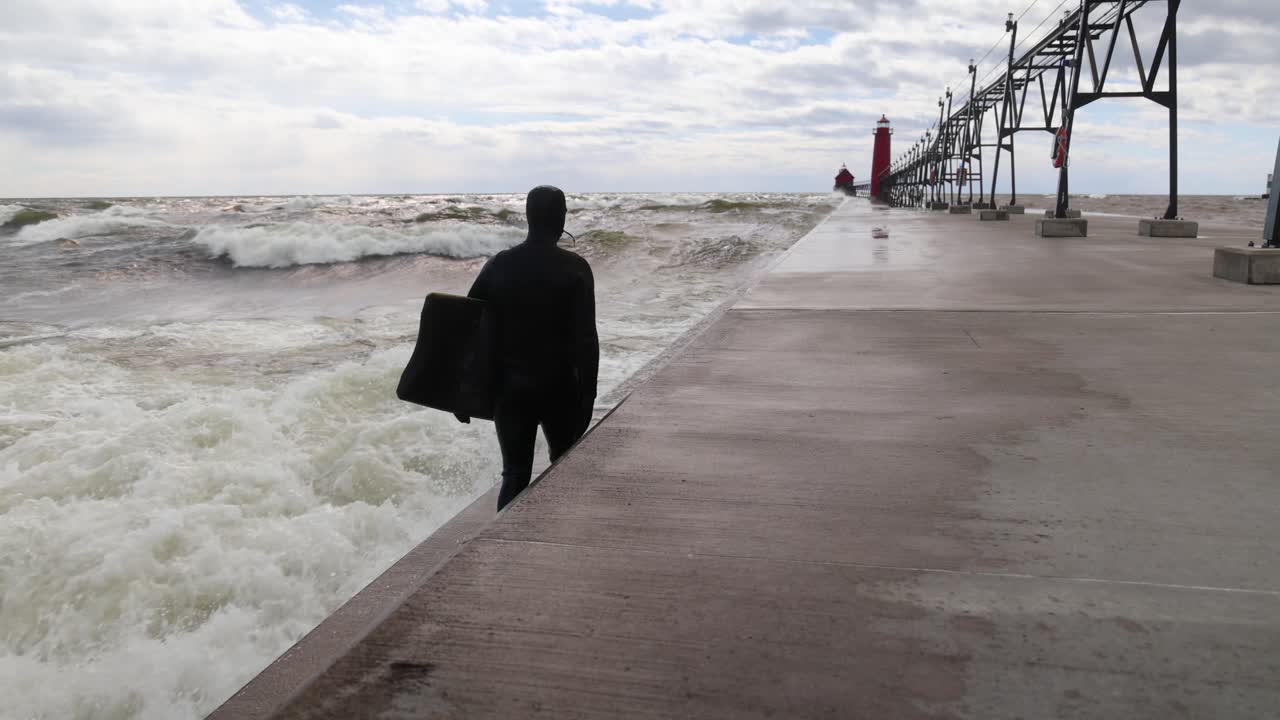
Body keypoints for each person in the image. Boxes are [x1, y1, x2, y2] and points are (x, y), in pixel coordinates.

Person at [459, 185, 599, 511]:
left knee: (514, 474)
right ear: (561, 217)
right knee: (563, 469)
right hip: (560, 389)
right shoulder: (575, 268)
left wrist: (462, 390)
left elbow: (466, 324)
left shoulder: (498, 265)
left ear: (528, 216)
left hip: (510, 390)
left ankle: (501, 540)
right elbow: (586, 339)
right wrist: (588, 395)